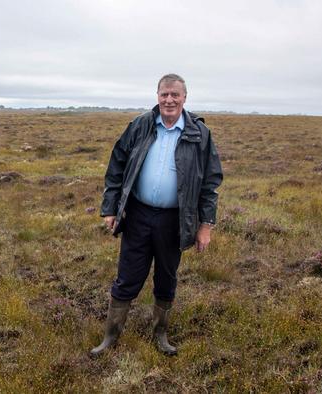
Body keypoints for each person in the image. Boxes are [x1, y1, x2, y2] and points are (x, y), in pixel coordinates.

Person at [91, 73, 223, 357]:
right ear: (157, 96)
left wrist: (205, 226)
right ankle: (110, 336)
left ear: (185, 98)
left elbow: (210, 182)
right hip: (138, 215)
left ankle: (160, 335)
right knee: (127, 276)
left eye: (175, 94)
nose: (169, 100)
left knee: (166, 277)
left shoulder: (200, 134)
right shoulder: (140, 125)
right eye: (164, 94)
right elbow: (117, 166)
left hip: (173, 220)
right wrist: (111, 208)